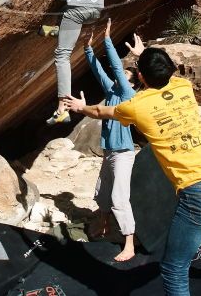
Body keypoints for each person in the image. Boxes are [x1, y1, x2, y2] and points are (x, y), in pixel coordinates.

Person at [64, 46, 201, 295]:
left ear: (140, 76)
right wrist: (144, 55)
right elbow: (164, 76)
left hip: (200, 190)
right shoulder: (183, 86)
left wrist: (79, 107)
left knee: (173, 268)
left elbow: (98, 111)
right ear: (170, 70)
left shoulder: (136, 106)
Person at [84, 18, 138, 261]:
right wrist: (88, 48)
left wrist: (107, 40)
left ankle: (130, 243)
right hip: (109, 151)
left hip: (124, 153)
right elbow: (99, 71)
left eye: (127, 75)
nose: (121, 76)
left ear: (132, 81)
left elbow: (116, 67)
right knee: (102, 191)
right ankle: (104, 224)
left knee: (119, 197)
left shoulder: (128, 94)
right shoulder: (113, 91)